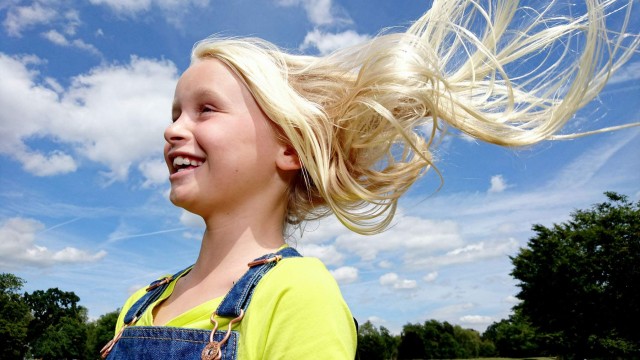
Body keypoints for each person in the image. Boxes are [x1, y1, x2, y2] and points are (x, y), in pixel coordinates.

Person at [102, 0, 638, 358]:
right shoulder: (139, 303)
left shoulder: (295, 293)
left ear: (289, 147)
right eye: (174, 112)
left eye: (205, 110)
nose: (173, 130)